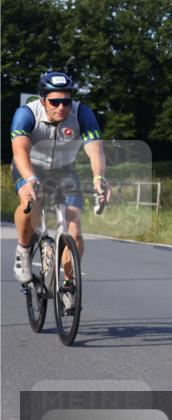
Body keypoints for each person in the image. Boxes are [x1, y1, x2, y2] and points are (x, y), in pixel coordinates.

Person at [10, 71, 111, 312]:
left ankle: (68, 285)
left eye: (66, 101)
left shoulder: (82, 113)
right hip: (30, 167)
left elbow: (95, 150)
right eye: (55, 101)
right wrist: (29, 179)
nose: (61, 107)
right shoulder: (26, 114)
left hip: (65, 170)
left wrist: (99, 178)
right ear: (43, 99)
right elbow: (20, 151)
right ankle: (23, 251)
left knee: (74, 228)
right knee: (30, 202)